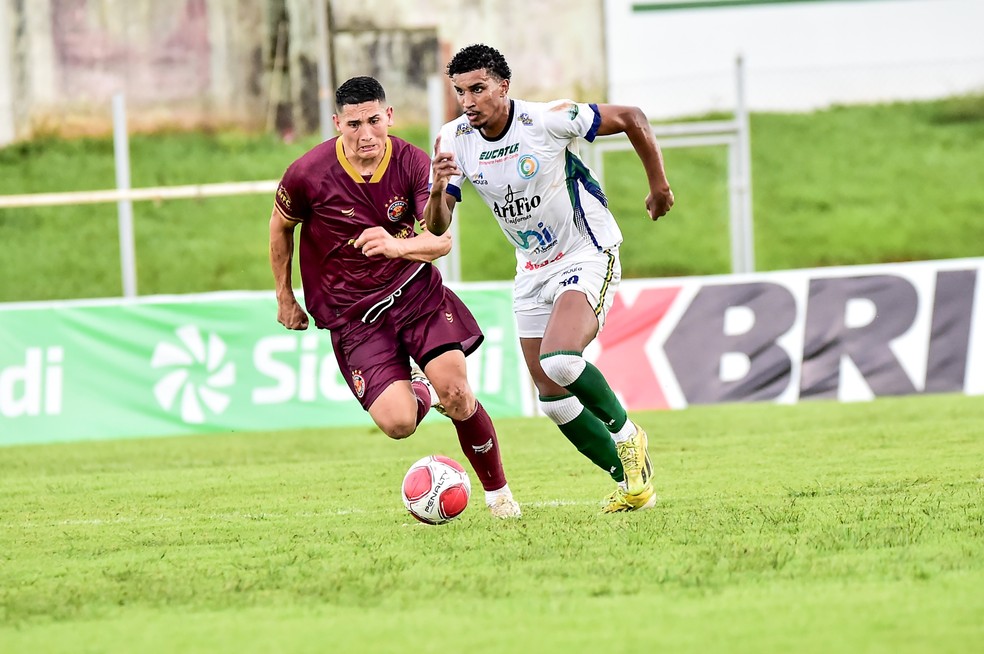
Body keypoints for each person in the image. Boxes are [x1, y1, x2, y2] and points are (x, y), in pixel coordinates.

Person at [425, 44, 675, 513]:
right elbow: (437, 226)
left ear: (503, 85)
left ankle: (628, 435)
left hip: (586, 251)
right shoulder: (452, 139)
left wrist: (658, 185)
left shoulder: (547, 120)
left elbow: (634, 117)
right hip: (531, 268)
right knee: (552, 396)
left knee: (561, 360)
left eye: (478, 89)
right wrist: (438, 187)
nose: (468, 101)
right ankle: (633, 484)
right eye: (460, 92)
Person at [269, 75, 521, 519]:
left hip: (416, 297)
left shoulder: (411, 162)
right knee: (399, 423)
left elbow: (440, 242)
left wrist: (396, 245)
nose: (364, 134)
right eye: (352, 125)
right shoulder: (307, 174)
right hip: (353, 317)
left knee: (459, 393)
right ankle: (420, 388)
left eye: (372, 120)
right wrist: (284, 296)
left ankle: (499, 496)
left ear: (388, 116)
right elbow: (280, 226)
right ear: (337, 124)